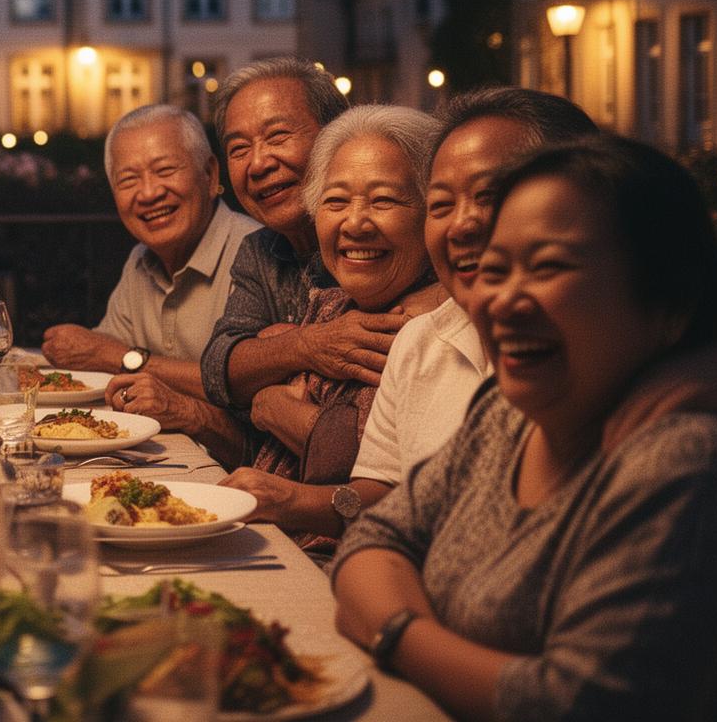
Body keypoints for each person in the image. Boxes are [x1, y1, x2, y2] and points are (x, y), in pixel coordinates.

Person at [332, 135, 717, 719]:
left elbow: (575, 704)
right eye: (496, 267)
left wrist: (396, 635)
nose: (504, 299)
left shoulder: (689, 464)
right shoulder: (507, 416)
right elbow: (372, 538)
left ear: (668, 299)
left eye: (548, 266)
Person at [220, 105, 442, 549]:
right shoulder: (331, 305)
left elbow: (391, 489)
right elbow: (225, 369)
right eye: (335, 201)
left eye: (383, 201)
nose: (355, 223)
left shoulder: (434, 330)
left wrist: (279, 409)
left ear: (432, 212)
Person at [37, 105, 257, 463]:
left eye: (165, 170)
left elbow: (247, 389)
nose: (149, 192)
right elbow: (99, 365)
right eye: (128, 180)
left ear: (210, 173)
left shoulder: (256, 255)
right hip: (158, 463)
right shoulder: (141, 259)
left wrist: (118, 358)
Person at [199, 59, 412, 415]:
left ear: (337, 135)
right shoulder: (260, 249)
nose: (258, 163)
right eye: (238, 149)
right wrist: (305, 346)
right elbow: (218, 368)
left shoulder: (381, 241)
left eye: (277, 136)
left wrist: (268, 374)